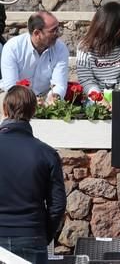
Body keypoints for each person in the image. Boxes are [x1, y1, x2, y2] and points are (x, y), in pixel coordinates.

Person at [0, 85, 66, 264]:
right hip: (31, 235)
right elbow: (57, 205)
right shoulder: (47, 153)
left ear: (5, 109)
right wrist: (43, 235)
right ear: (33, 112)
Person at [76, 2, 120, 96]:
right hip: (97, 96)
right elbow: (86, 80)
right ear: (111, 28)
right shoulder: (84, 46)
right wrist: (99, 99)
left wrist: (118, 99)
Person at [0, 11, 69, 103]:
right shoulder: (13, 47)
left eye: (58, 29)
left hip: (45, 97)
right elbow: (11, 87)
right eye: (53, 30)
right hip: (15, 97)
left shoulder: (60, 48)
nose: (58, 34)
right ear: (37, 33)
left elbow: (59, 84)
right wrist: (31, 102)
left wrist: (54, 97)